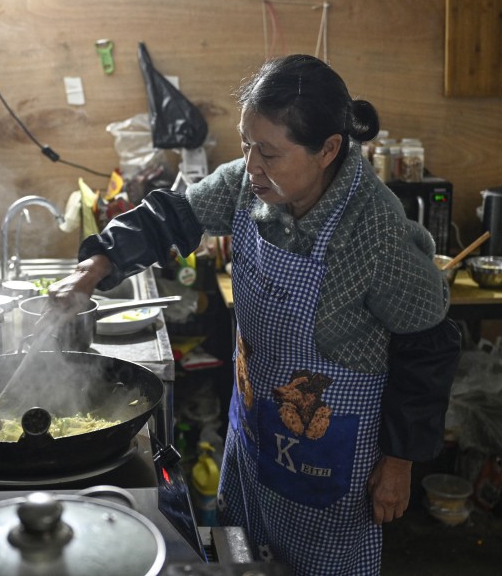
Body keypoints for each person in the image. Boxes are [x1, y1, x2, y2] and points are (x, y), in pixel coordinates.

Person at [50, 54, 461, 575]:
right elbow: (173, 215)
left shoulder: (375, 234)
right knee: (243, 556)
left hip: (331, 460)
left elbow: (430, 346)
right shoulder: (251, 187)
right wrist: (96, 265)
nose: (250, 165)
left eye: (268, 152)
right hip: (254, 433)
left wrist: (400, 462)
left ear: (328, 150)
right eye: (246, 144)